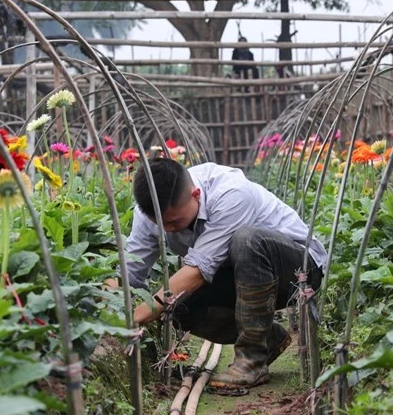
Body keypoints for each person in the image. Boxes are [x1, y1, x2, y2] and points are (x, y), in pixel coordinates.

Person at [114, 157, 328, 390]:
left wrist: (135, 317)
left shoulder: (231, 194)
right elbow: (129, 272)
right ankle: (267, 339)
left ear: (196, 194)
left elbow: (196, 273)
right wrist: (103, 307)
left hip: (297, 271)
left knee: (247, 241)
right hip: (238, 275)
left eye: (174, 222)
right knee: (180, 307)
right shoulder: (148, 213)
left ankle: (251, 361)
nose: (167, 229)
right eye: (160, 223)